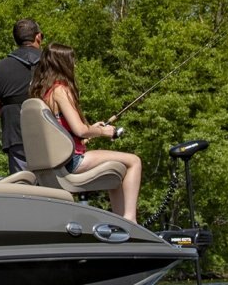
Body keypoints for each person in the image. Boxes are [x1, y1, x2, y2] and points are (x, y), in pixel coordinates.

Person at [29, 43, 143, 224]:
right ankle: (130, 221)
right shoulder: (60, 90)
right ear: (62, 63)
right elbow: (80, 129)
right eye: (72, 61)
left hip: (54, 163)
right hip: (72, 161)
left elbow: (64, 130)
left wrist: (91, 130)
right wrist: (103, 132)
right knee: (134, 162)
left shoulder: (42, 93)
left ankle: (121, 223)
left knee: (115, 173)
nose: (75, 65)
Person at [0, 19, 43, 173]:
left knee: (23, 184)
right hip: (51, 134)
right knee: (53, 183)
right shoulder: (53, 62)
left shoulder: (0, 67)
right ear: (38, 37)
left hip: (16, 136)